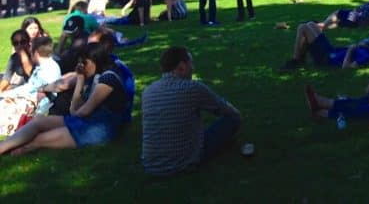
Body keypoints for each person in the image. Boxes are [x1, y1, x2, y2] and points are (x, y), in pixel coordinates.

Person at [0, 43, 133, 156]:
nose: (81, 66)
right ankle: (6, 145)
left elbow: (82, 112)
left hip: (100, 129)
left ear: (95, 60)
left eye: (84, 62)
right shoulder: (94, 77)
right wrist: (80, 79)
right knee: (39, 120)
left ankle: (10, 148)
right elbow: (74, 109)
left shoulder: (107, 80)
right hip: (87, 121)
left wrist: (75, 111)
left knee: (37, 140)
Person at [141, 46, 241, 176]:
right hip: (184, 162)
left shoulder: (148, 91)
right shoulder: (192, 87)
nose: (193, 68)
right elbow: (228, 110)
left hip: (151, 166)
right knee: (233, 119)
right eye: (191, 63)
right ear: (182, 66)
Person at [0, 36, 62, 136]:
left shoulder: (48, 69)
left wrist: (6, 94)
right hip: (33, 99)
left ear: (36, 53)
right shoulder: (45, 66)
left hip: (38, 104)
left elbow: (31, 88)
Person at [279, 22, 369, 71]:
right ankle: (300, 59)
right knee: (311, 24)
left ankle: (296, 60)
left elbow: (346, 68)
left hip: (326, 59)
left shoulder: (367, 56)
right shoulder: (366, 49)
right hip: (331, 50)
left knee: (302, 27)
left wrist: (350, 50)